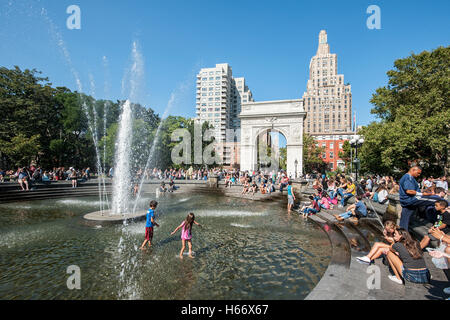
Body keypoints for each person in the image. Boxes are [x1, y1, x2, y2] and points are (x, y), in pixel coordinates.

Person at [398, 166, 436, 230]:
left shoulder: (407, 177)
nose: (418, 175)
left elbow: (414, 190)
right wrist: (423, 194)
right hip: (411, 200)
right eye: (418, 173)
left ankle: (402, 233)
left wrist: (426, 190)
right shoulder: (408, 178)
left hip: (406, 201)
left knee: (404, 219)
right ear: (413, 170)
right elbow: (409, 191)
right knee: (437, 200)